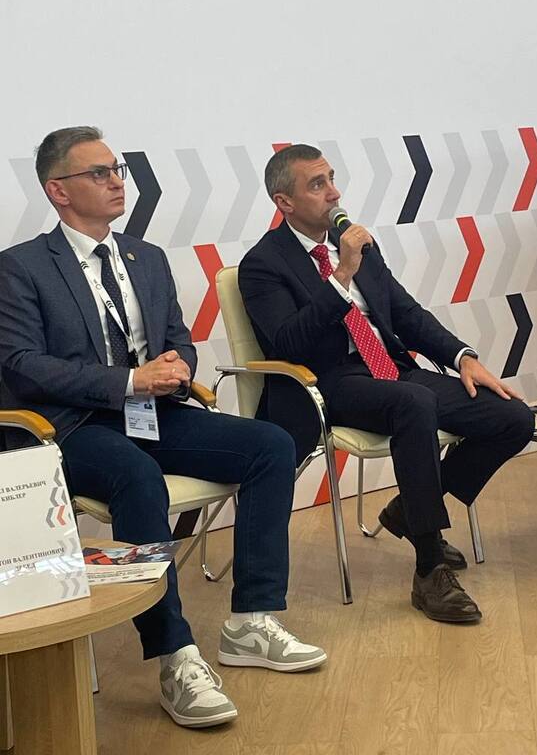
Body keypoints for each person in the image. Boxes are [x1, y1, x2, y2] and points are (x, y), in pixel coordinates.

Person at [0, 127, 327, 730]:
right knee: (136, 475)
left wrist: (177, 370)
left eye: (117, 169)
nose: (116, 181)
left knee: (270, 445)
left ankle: (251, 620)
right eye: (98, 173)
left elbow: (176, 338)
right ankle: (175, 654)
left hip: (154, 412)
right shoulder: (21, 267)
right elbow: (21, 365)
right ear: (58, 190)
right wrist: (128, 381)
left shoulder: (145, 258)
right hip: (71, 426)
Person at [238, 144, 534, 624]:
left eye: (332, 179)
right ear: (284, 202)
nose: (334, 193)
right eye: (317, 185)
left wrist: (463, 356)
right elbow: (288, 343)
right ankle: (430, 566)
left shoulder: (356, 244)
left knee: (512, 417)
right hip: (327, 382)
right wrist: (341, 276)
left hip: (390, 370)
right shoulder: (263, 264)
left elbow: (406, 313)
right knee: (413, 402)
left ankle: (409, 510)